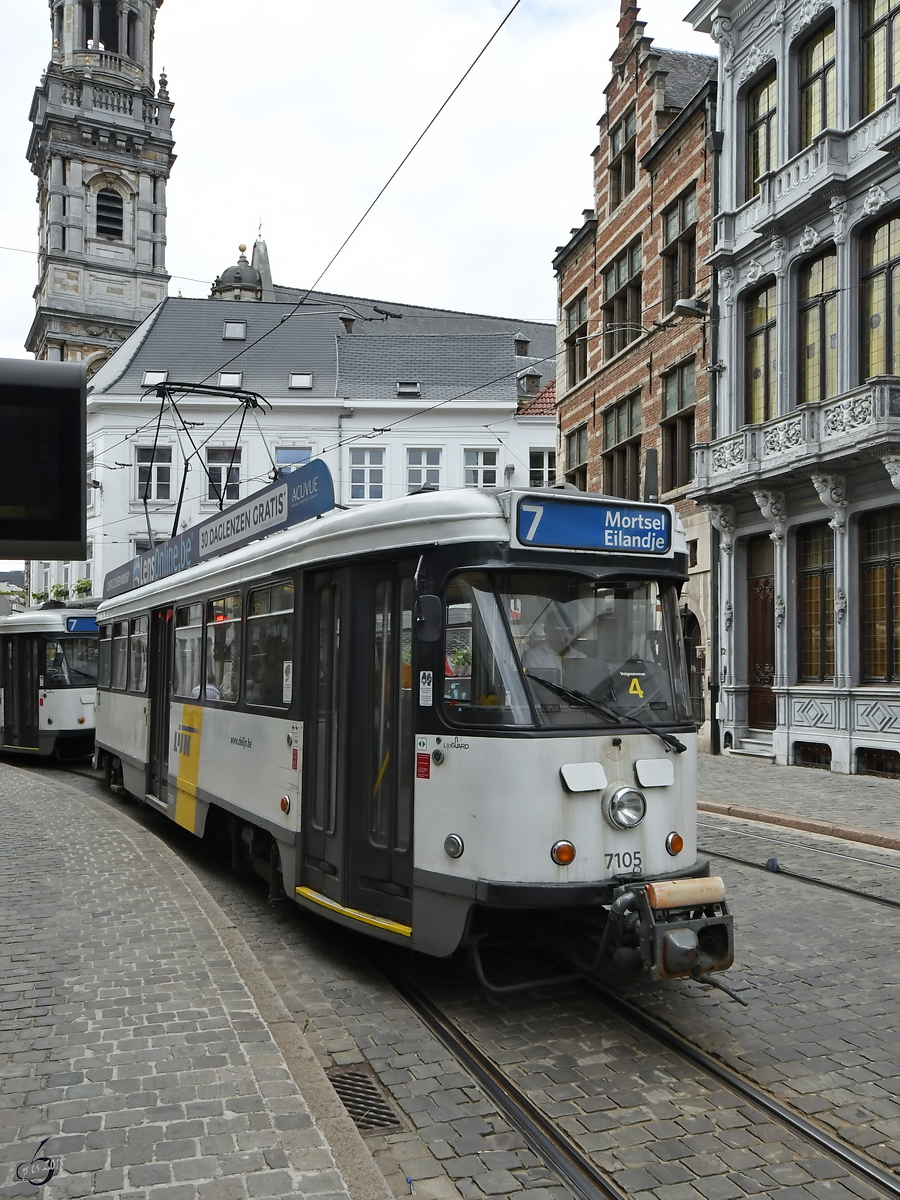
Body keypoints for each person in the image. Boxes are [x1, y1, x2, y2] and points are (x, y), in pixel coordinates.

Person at [522, 615, 585, 682]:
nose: (563, 635)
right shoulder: (532, 657)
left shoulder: (581, 657)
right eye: (557, 630)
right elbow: (531, 685)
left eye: (567, 630)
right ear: (546, 630)